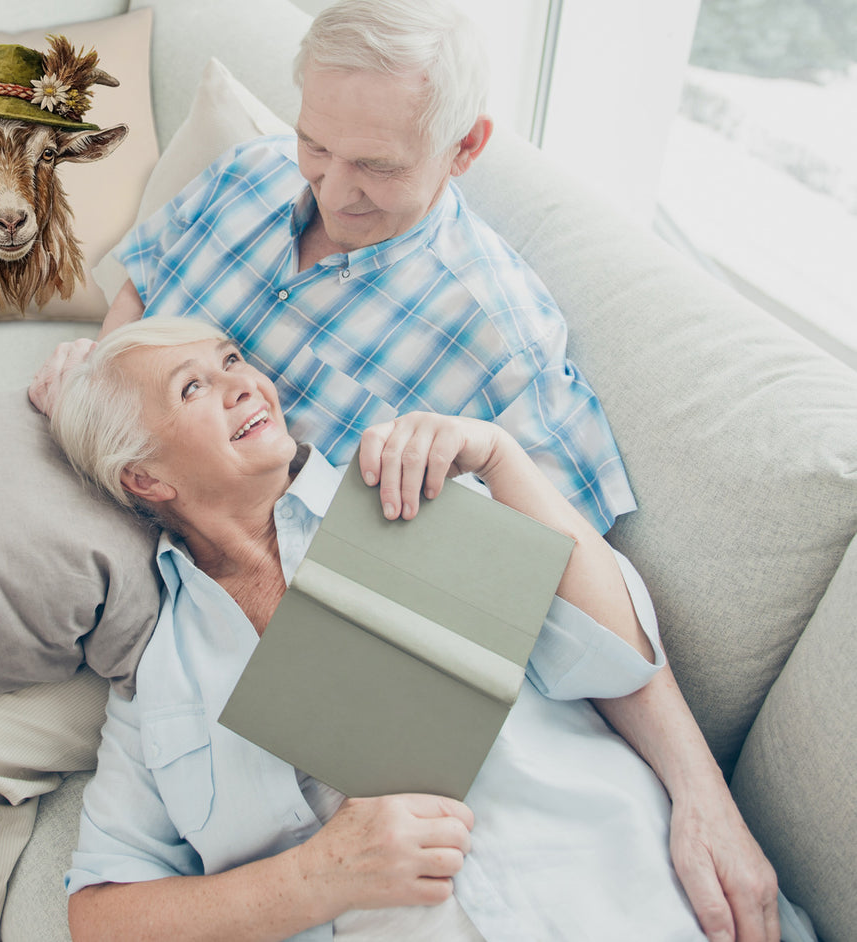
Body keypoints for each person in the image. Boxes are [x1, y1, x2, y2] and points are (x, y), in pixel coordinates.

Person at [0, 0, 774, 942]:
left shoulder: (496, 335)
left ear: (463, 148)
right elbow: (142, 293)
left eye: (375, 166)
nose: (330, 185)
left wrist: (700, 791)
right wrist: (99, 370)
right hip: (130, 474)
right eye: (317, 143)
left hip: (220, 579)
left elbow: (570, 583)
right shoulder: (251, 175)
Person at [50, 316, 800, 942]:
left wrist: (501, 458)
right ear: (145, 478)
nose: (244, 382)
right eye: (193, 387)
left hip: (631, 894)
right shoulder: (159, 680)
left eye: (232, 360)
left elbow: (615, 657)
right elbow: (100, 914)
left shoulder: (404, 489)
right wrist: (315, 878)